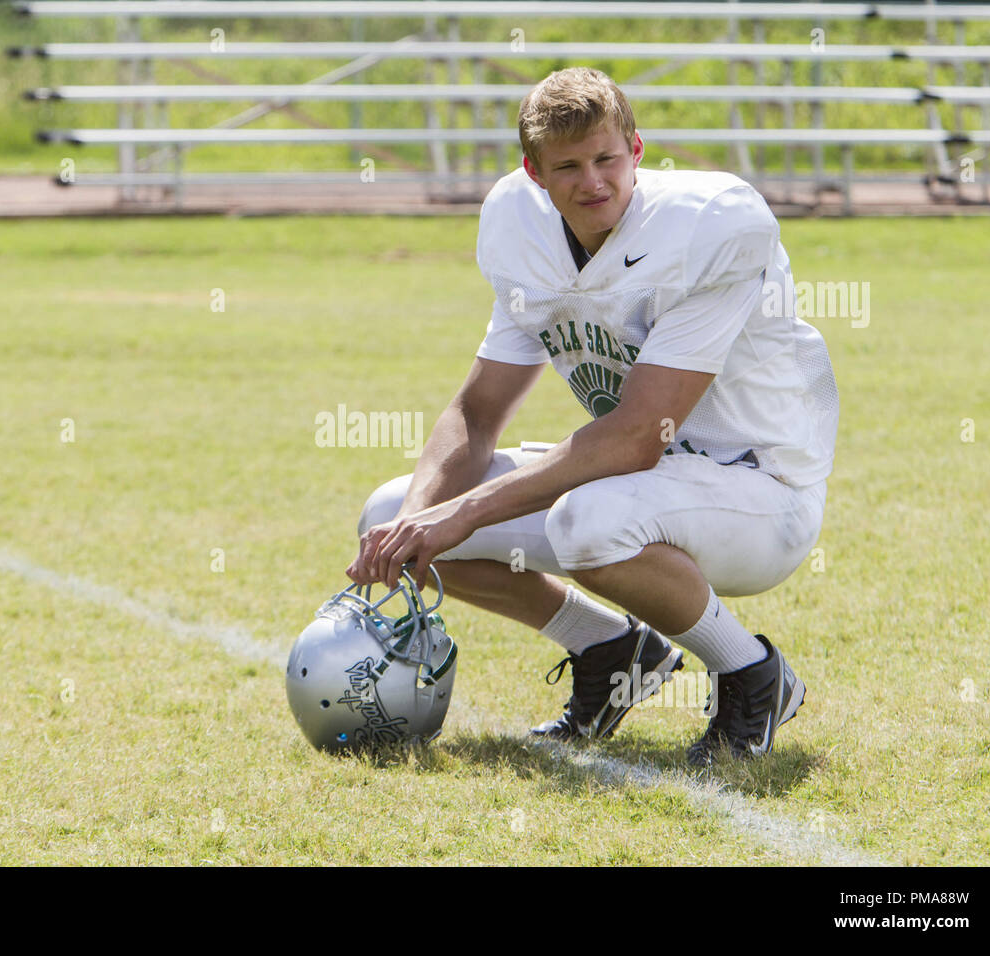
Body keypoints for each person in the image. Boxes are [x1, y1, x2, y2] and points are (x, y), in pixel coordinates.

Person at [345, 67, 838, 766]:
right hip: (639, 481)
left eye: (607, 158)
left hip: (761, 490)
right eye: (569, 166)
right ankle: (610, 649)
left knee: (587, 520)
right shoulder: (520, 227)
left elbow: (640, 435)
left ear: (637, 149)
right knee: (387, 511)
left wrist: (464, 512)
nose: (593, 181)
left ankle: (751, 671)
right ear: (534, 173)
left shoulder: (713, 226)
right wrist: (420, 518)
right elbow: (478, 410)